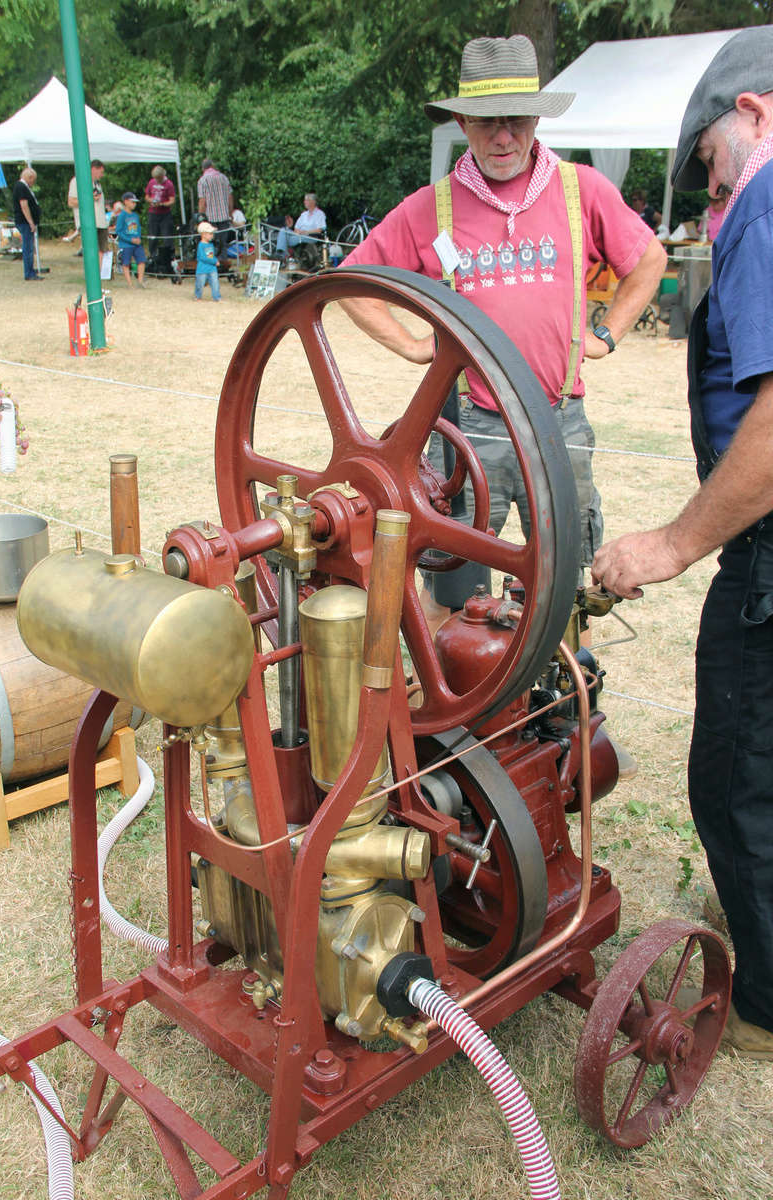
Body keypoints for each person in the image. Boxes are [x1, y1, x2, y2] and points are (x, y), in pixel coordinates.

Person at [340, 35, 666, 627]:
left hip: (557, 419)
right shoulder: (430, 207)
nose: (503, 137)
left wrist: (608, 334)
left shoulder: (581, 191)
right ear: (463, 121)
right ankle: (460, 706)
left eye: (516, 121)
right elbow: (352, 279)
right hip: (471, 427)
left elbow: (648, 260)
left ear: (537, 119)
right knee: (454, 585)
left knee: (564, 576)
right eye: (487, 122)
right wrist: (415, 348)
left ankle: (556, 703)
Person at [591, 26, 773, 1060]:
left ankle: (762, 1008)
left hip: (763, 562)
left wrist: (670, 543)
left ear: (749, 113)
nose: (710, 193)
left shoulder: (760, 206)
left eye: (704, 162)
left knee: (731, 774)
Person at [68, 160, 109, 268]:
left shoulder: (97, 184)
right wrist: (90, 199)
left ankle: (99, 278)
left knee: (101, 251)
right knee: (91, 252)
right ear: (93, 169)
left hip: (101, 223)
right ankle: (92, 277)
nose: (102, 175)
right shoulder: (77, 181)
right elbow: (71, 202)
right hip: (88, 223)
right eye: (101, 172)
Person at [144, 164, 176, 280]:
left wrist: (162, 204)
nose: (157, 180)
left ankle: (169, 260)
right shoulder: (151, 182)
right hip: (153, 213)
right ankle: (153, 259)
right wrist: (151, 200)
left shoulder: (169, 184)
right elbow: (146, 196)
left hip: (165, 214)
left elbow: (172, 200)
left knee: (167, 237)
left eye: (159, 178)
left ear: (163, 175)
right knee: (153, 237)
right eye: (156, 178)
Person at [197, 159, 234, 258]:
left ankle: (212, 266)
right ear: (212, 166)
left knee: (210, 245)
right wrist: (230, 213)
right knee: (223, 244)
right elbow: (230, 196)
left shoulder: (202, 181)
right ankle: (224, 266)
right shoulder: (224, 178)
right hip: (224, 216)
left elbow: (202, 202)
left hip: (210, 218)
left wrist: (201, 218)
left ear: (203, 168)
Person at [275, 193, 326, 260]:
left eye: (307, 200)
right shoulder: (303, 214)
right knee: (283, 230)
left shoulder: (320, 214)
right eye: (305, 200)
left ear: (313, 202)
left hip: (311, 236)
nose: (304, 202)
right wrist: (298, 232)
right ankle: (280, 254)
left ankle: (282, 256)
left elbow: (320, 230)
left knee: (284, 239)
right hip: (298, 235)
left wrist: (306, 232)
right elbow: (296, 228)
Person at [13, 167, 41, 281]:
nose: (33, 183)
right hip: (25, 222)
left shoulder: (23, 187)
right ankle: (28, 273)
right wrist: (31, 223)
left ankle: (30, 270)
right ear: (29, 178)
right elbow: (24, 206)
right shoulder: (21, 187)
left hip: (26, 222)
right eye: (33, 180)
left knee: (30, 247)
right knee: (28, 248)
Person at [114, 192, 146, 287]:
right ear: (126, 202)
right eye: (132, 202)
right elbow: (118, 231)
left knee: (141, 260)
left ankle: (140, 281)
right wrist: (130, 240)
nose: (134, 204)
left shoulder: (135, 215)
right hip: (126, 244)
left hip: (137, 243)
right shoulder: (122, 215)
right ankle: (129, 283)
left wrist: (139, 238)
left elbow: (138, 228)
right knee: (126, 263)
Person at [194, 220, 221, 301]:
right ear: (203, 234)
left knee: (215, 283)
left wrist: (215, 260)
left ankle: (216, 297)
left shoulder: (210, 245)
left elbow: (211, 256)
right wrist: (214, 261)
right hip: (202, 269)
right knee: (200, 284)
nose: (212, 236)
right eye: (210, 234)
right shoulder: (201, 245)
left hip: (212, 268)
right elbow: (203, 258)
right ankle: (198, 296)